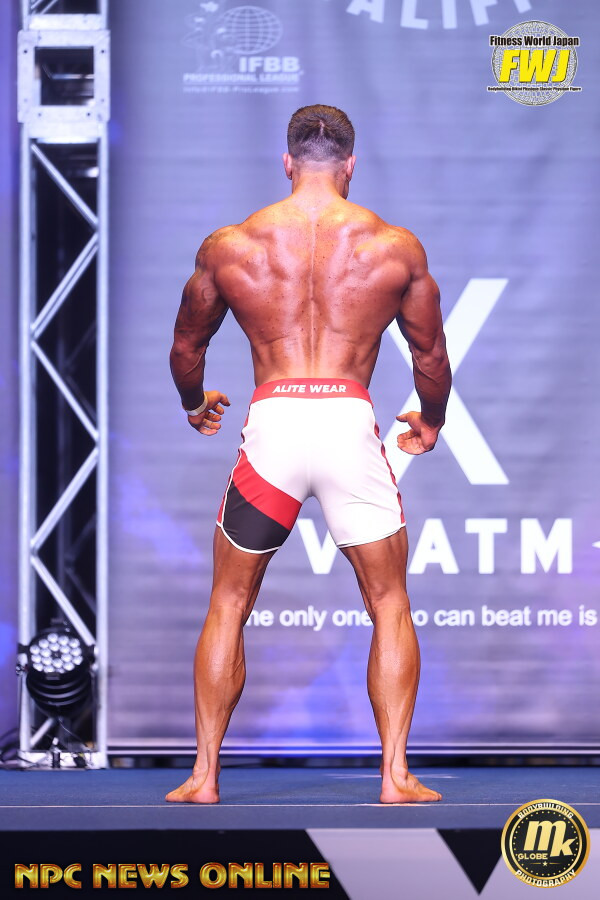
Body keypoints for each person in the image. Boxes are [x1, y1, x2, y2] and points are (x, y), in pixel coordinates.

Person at [166, 105, 451, 804]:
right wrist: (432, 420)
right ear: (351, 164)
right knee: (389, 600)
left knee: (229, 601)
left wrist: (194, 401)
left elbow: (186, 347)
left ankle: (204, 777)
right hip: (349, 421)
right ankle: (395, 777)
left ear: (288, 162)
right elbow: (431, 356)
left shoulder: (232, 245)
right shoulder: (395, 247)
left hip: (275, 423)